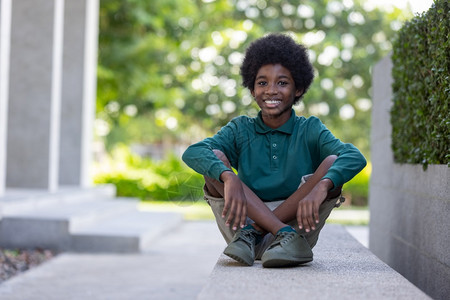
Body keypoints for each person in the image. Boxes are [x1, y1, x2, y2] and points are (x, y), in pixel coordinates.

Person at [182, 33, 366, 268]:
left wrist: (323, 186)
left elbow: (355, 157)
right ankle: (271, 231)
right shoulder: (240, 128)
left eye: (282, 82)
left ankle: (268, 232)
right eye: (262, 83)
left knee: (332, 162)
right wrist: (228, 177)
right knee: (215, 159)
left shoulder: (310, 129)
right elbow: (193, 151)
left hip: (296, 232)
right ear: (252, 90)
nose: (271, 90)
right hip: (242, 234)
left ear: (298, 89)